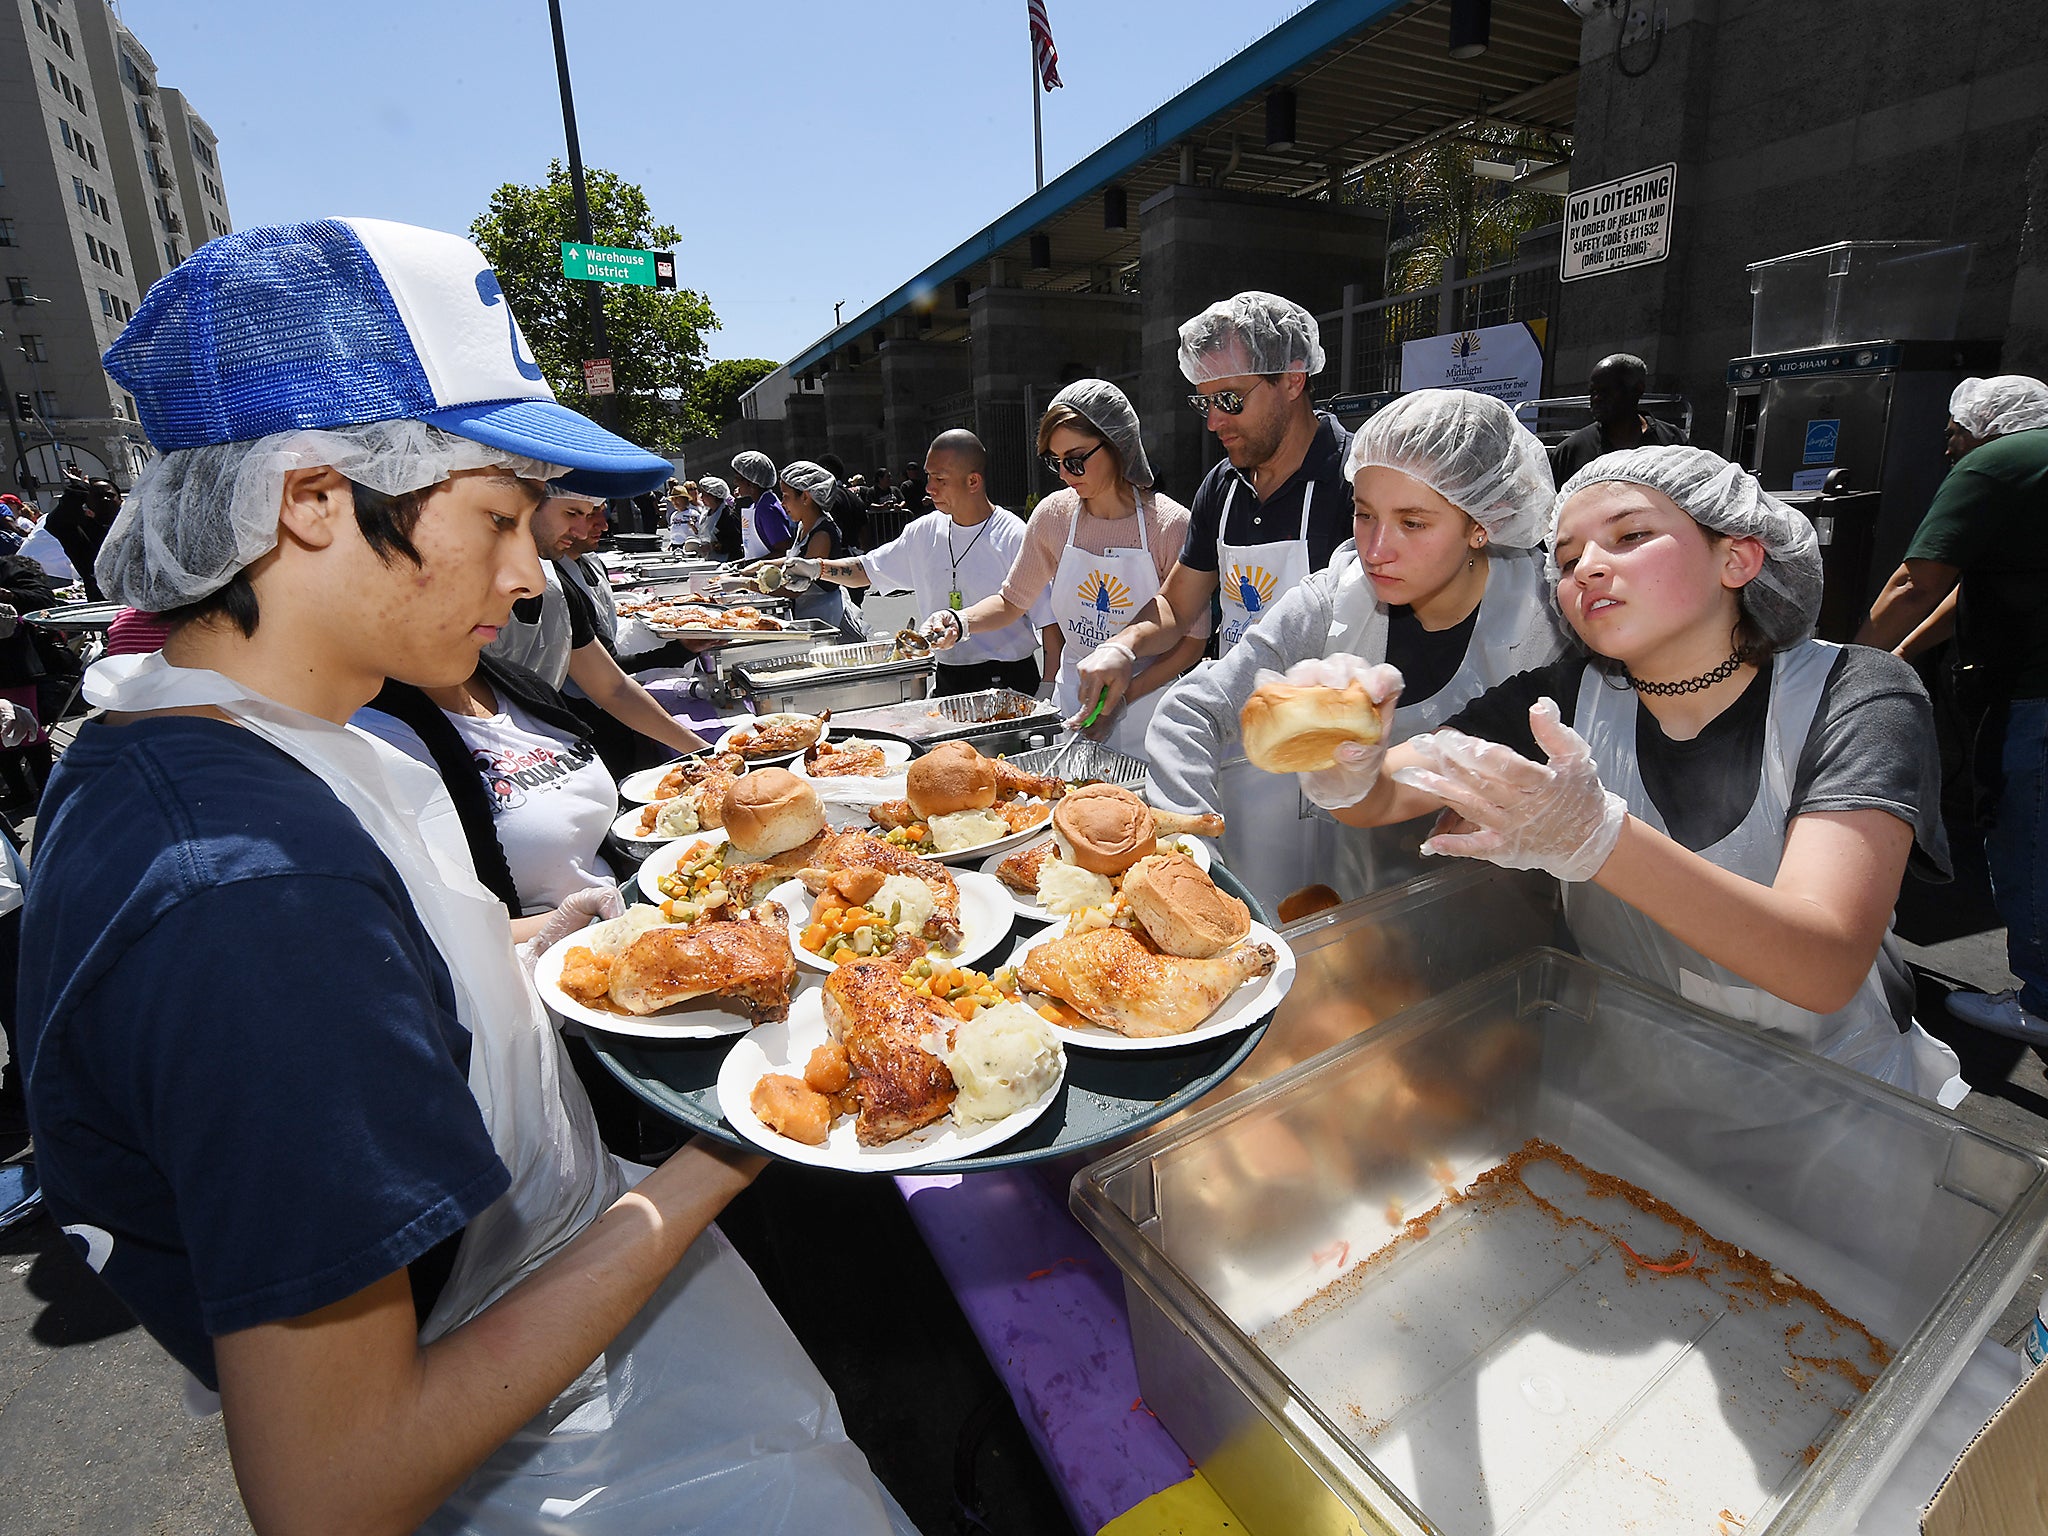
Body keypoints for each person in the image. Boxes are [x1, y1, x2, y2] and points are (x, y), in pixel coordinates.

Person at [18, 215, 913, 1535]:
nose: (532, 566)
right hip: (541, 1470)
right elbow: (335, 1486)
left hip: (587, 1318)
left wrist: (537, 946)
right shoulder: (244, 901)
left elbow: (369, 1020)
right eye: (496, 514)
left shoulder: (303, 738)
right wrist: (734, 1144)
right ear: (310, 501)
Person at [1315, 444, 1963, 1105]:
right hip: (1637, 1100)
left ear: (1737, 557)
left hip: (1841, 1117)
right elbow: (1393, 790)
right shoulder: (1558, 701)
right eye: (1567, 560)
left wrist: (1598, 840)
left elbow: (1822, 964)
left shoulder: (1855, 694)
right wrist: (1348, 761)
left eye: (1631, 536)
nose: (1589, 567)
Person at [1148, 389, 1570, 913]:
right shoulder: (1331, 603)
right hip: (1355, 908)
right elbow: (1192, 709)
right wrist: (1191, 860)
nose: (1375, 549)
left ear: (1482, 523)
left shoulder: (1550, 622)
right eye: (1364, 514)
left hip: (1499, 915)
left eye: (1412, 523)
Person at [1858, 374, 2048, 1046]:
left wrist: (1844, 661)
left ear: (1985, 425)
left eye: (1952, 434)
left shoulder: (1994, 465)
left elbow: (1918, 579)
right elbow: (1965, 587)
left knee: (2029, 834)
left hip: (2035, 691)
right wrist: (1905, 652)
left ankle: (2042, 1002)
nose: (1947, 449)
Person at [1073, 291, 1355, 716]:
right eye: (1204, 402)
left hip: (1325, 738)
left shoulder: (1354, 482)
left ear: (1293, 379)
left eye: (1229, 399)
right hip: (1235, 727)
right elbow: (1176, 605)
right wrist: (1123, 646)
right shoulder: (1222, 486)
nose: (1213, 421)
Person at [925, 381, 1208, 750]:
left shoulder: (1169, 525)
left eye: (1075, 460)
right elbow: (1013, 601)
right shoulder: (1054, 516)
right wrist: (961, 622)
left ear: (1117, 443)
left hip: (1149, 709)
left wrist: (1125, 696)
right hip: (1073, 699)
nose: (1064, 474)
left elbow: (1192, 642)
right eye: (1054, 462)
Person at [771, 430, 1054, 695]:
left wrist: (1049, 684)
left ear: (973, 481)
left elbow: (1049, 621)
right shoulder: (924, 531)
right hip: (947, 674)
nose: (929, 487)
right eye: (928, 476)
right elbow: (867, 570)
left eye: (940, 479)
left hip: (1007, 678)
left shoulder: (1013, 535)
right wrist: (817, 568)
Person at [485, 484, 713, 771]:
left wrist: (706, 753)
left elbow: (613, 688)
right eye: (572, 513)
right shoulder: (462, 586)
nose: (582, 531)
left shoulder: (559, 590)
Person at [770, 460, 872, 643]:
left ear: (805, 497)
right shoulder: (803, 526)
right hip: (811, 614)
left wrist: (748, 584)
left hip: (830, 619)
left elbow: (796, 587)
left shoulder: (821, 534)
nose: (782, 502)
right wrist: (761, 565)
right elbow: (792, 560)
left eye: (786, 496)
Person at [1548, 353, 1687, 485]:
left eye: (1605, 391)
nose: (1597, 399)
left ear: (1637, 390)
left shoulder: (1672, 441)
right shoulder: (1570, 452)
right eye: (1593, 392)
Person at [47, 475, 122, 600]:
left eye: (109, 495)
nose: (105, 499)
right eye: (97, 496)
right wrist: (78, 488)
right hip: (104, 603)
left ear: (120, 500)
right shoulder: (81, 533)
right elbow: (56, 522)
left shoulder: (135, 526)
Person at [730, 450, 796, 561]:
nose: (735, 482)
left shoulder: (767, 509)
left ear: (750, 482)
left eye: (738, 478)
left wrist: (755, 564)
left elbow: (783, 550)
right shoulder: (756, 506)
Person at [693, 474, 738, 558]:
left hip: (725, 560)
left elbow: (734, 542)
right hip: (708, 558)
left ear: (714, 496)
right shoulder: (706, 513)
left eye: (704, 494)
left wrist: (713, 546)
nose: (701, 497)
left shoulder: (727, 515)